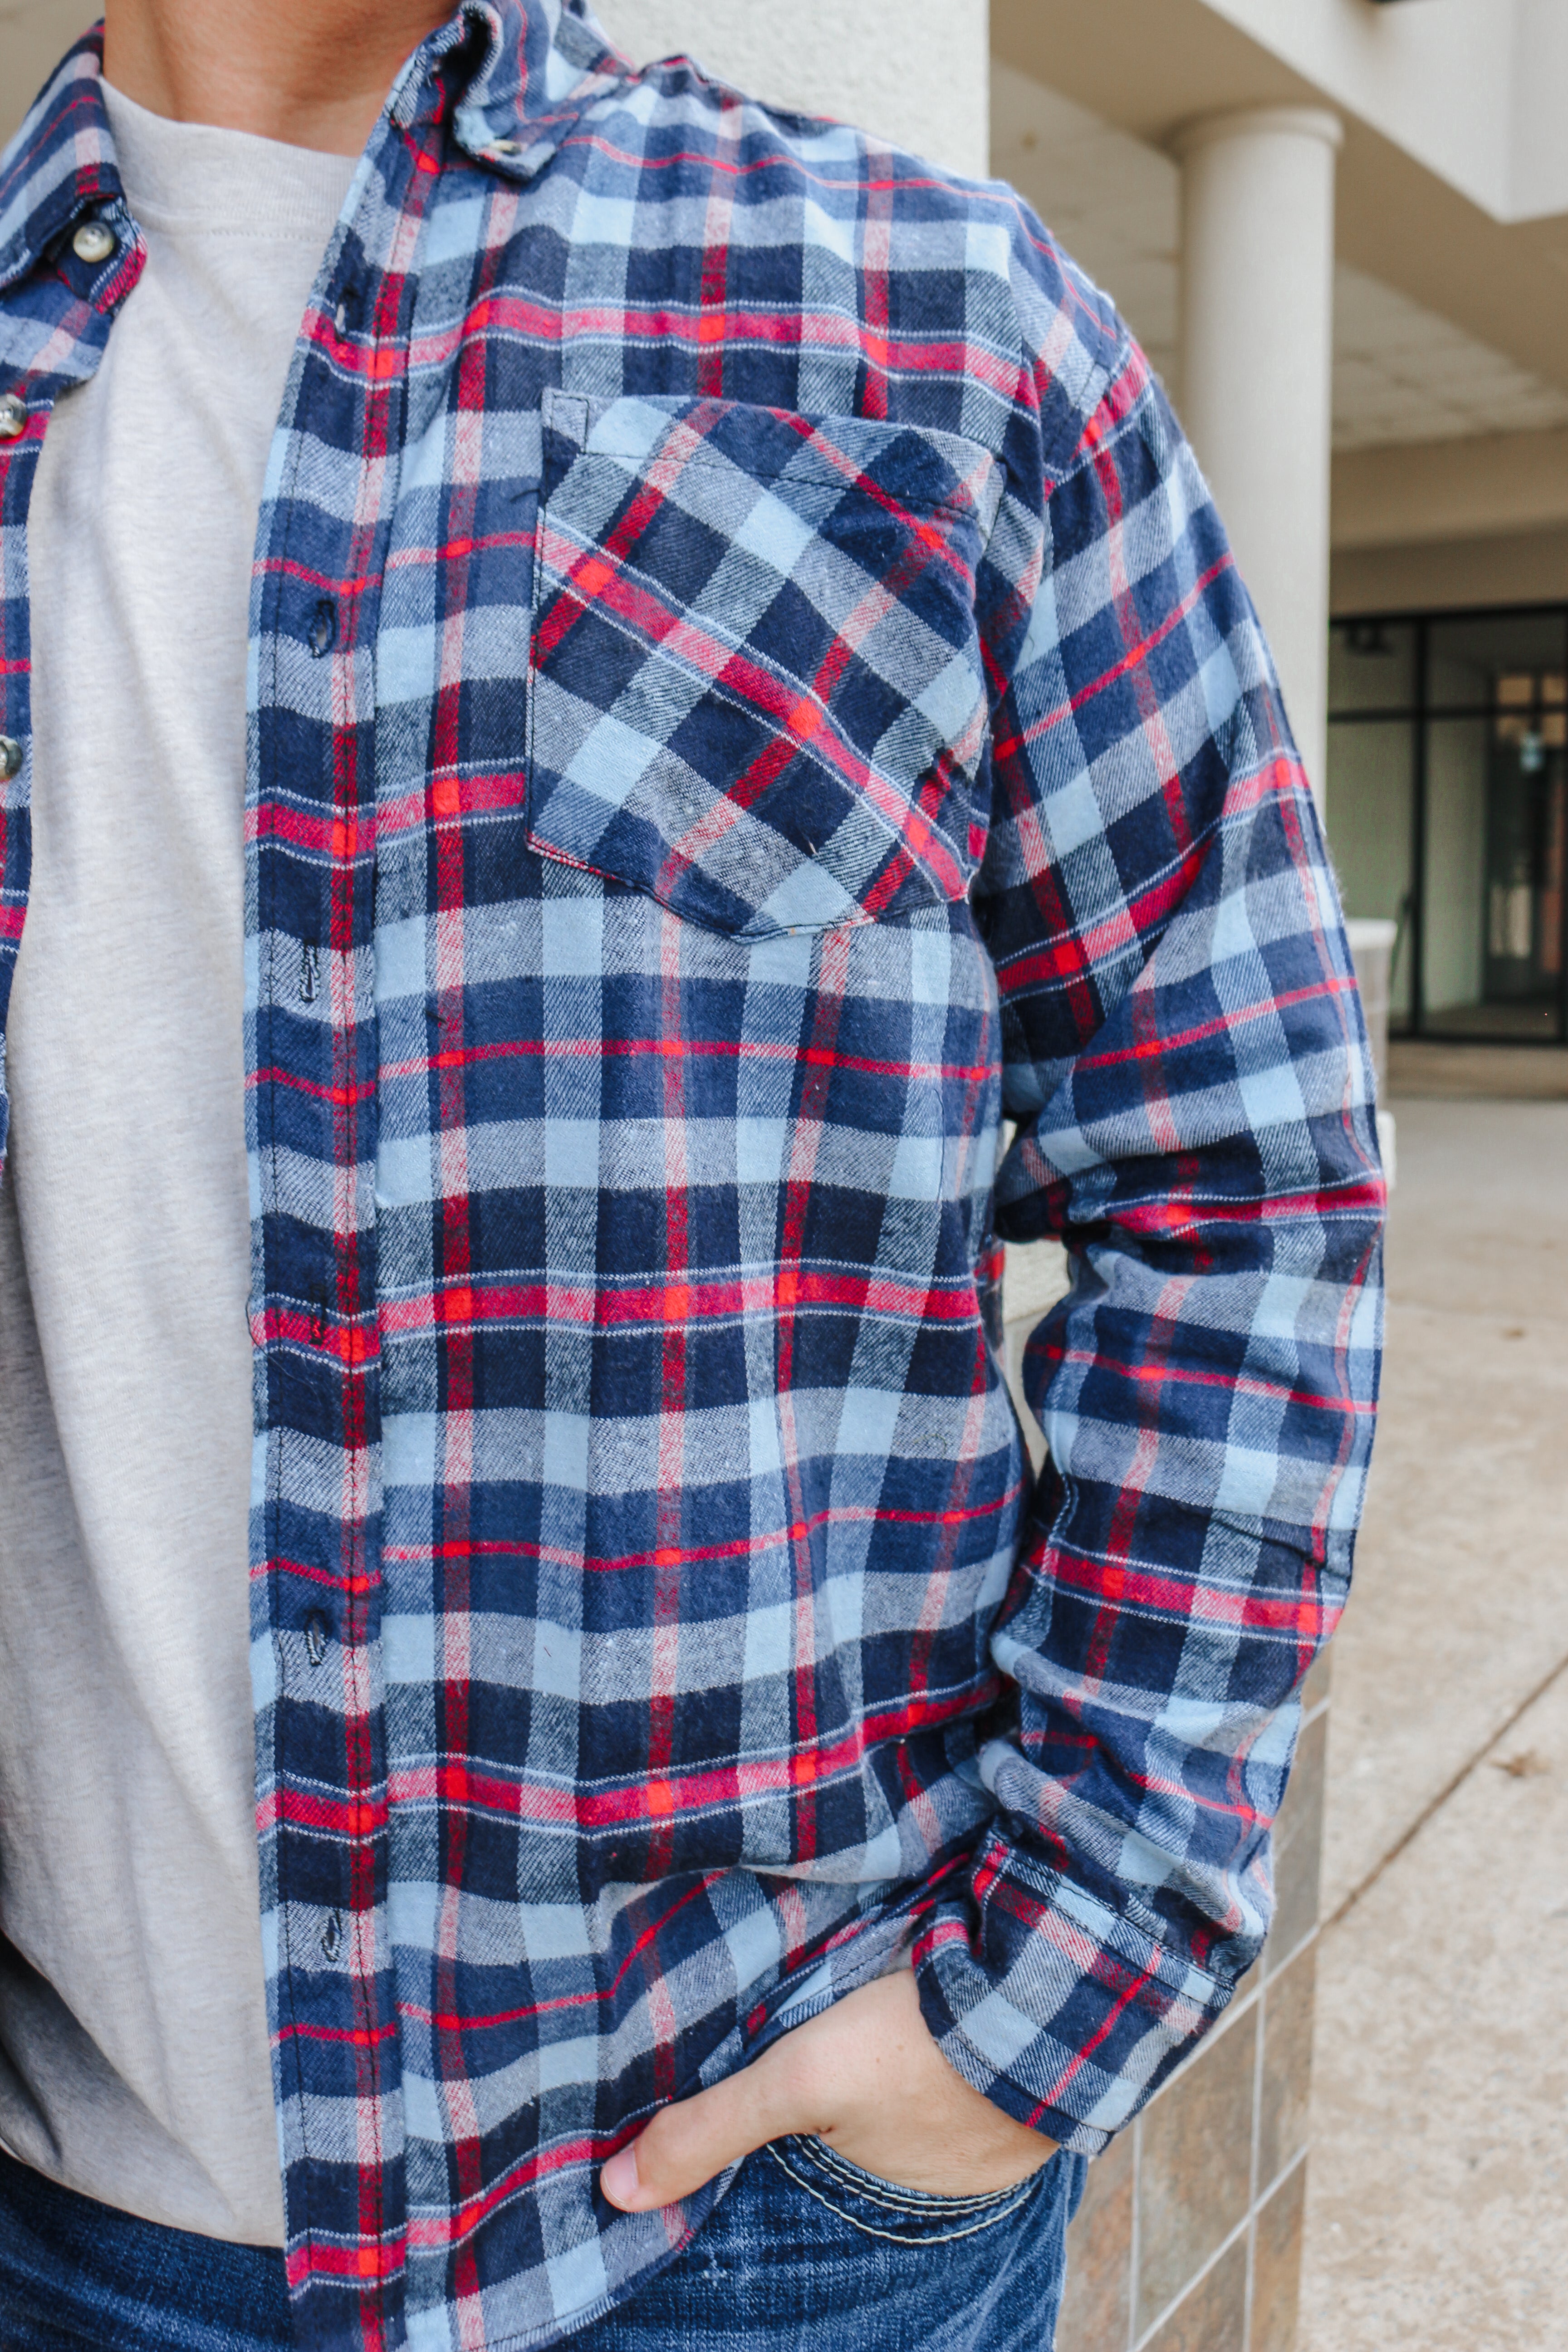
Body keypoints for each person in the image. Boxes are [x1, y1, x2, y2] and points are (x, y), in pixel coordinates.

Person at [0, 1, 1385, 2345]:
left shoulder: (921, 312)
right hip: (66, 2223)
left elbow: (1242, 1187)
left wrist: (1033, 2005)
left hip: (741, 2220)